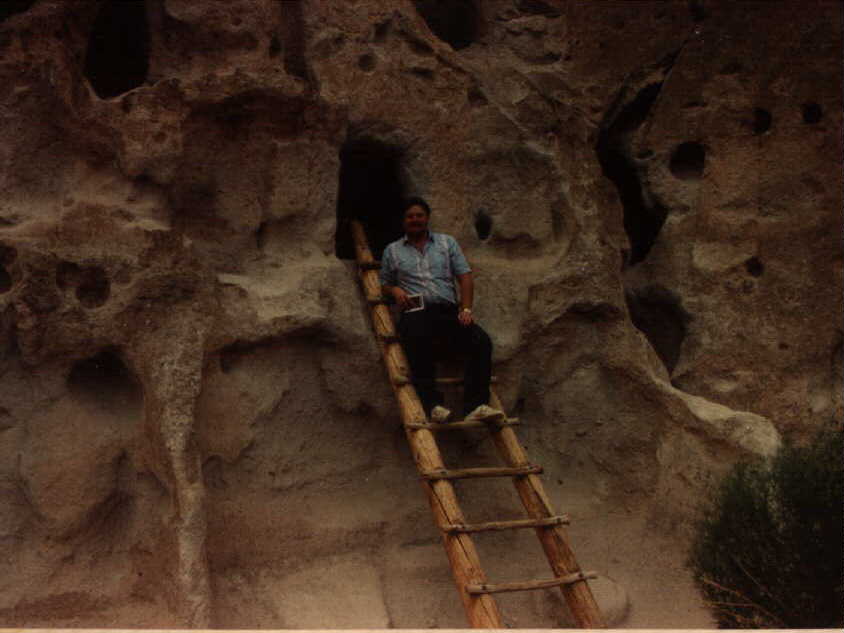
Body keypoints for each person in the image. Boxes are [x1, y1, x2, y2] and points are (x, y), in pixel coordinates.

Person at [379, 197, 503, 423]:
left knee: (481, 341)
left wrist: (466, 308)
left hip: (447, 310)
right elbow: (384, 282)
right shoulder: (392, 250)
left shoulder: (447, 243)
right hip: (416, 311)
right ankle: (433, 406)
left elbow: (465, 277)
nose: (415, 220)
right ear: (403, 221)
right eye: (410, 216)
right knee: (416, 342)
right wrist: (395, 290)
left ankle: (476, 406)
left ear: (427, 218)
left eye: (419, 215)